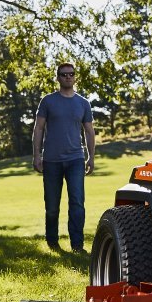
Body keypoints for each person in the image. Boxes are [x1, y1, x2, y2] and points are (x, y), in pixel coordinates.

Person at [32, 62, 95, 252]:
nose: (68, 77)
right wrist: (37, 155)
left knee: (77, 203)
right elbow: (39, 128)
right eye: (63, 74)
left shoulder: (83, 103)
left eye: (71, 74)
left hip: (75, 159)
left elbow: (89, 132)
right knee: (52, 205)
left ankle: (77, 245)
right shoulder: (48, 101)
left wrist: (91, 157)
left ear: (75, 77)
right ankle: (52, 242)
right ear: (58, 77)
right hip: (51, 161)